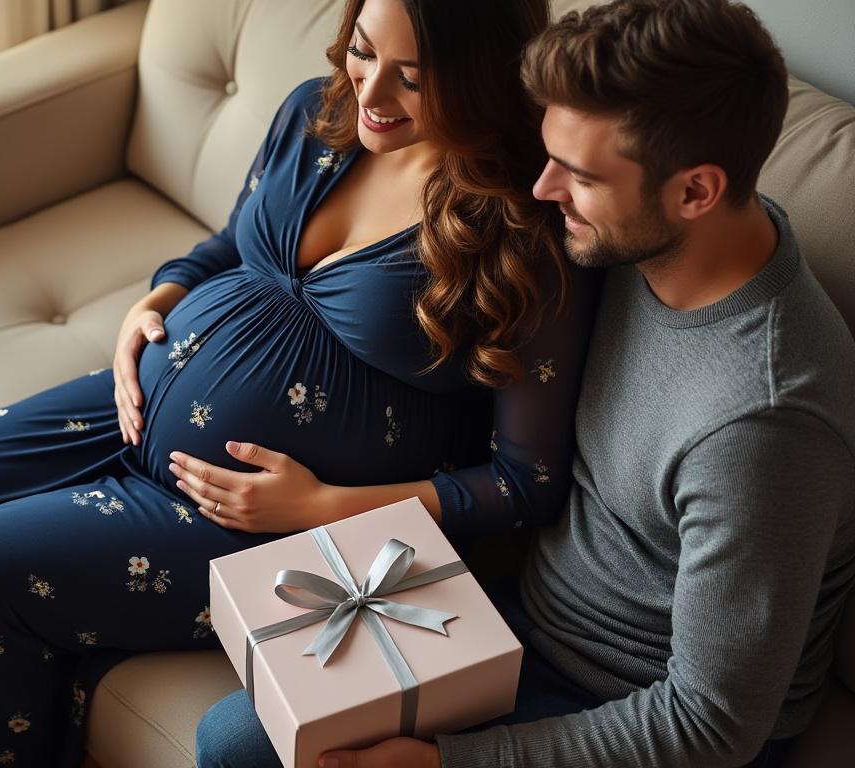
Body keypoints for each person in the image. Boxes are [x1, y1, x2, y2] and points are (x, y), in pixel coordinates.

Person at [0, 0, 598, 764]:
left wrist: (324, 508)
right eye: (362, 50)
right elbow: (227, 247)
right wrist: (155, 301)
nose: (372, 92)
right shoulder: (318, 115)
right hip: (128, 404)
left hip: (257, 517)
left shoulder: (520, 231)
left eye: (412, 79)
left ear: (481, 78)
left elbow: (526, 482)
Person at [194, 1, 855, 767]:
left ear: (696, 192)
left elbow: (709, 725)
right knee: (237, 737)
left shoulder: (762, 423)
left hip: (631, 712)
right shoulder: (656, 242)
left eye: (578, 175)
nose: (542, 191)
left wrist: (448, 763)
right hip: (517, 623)